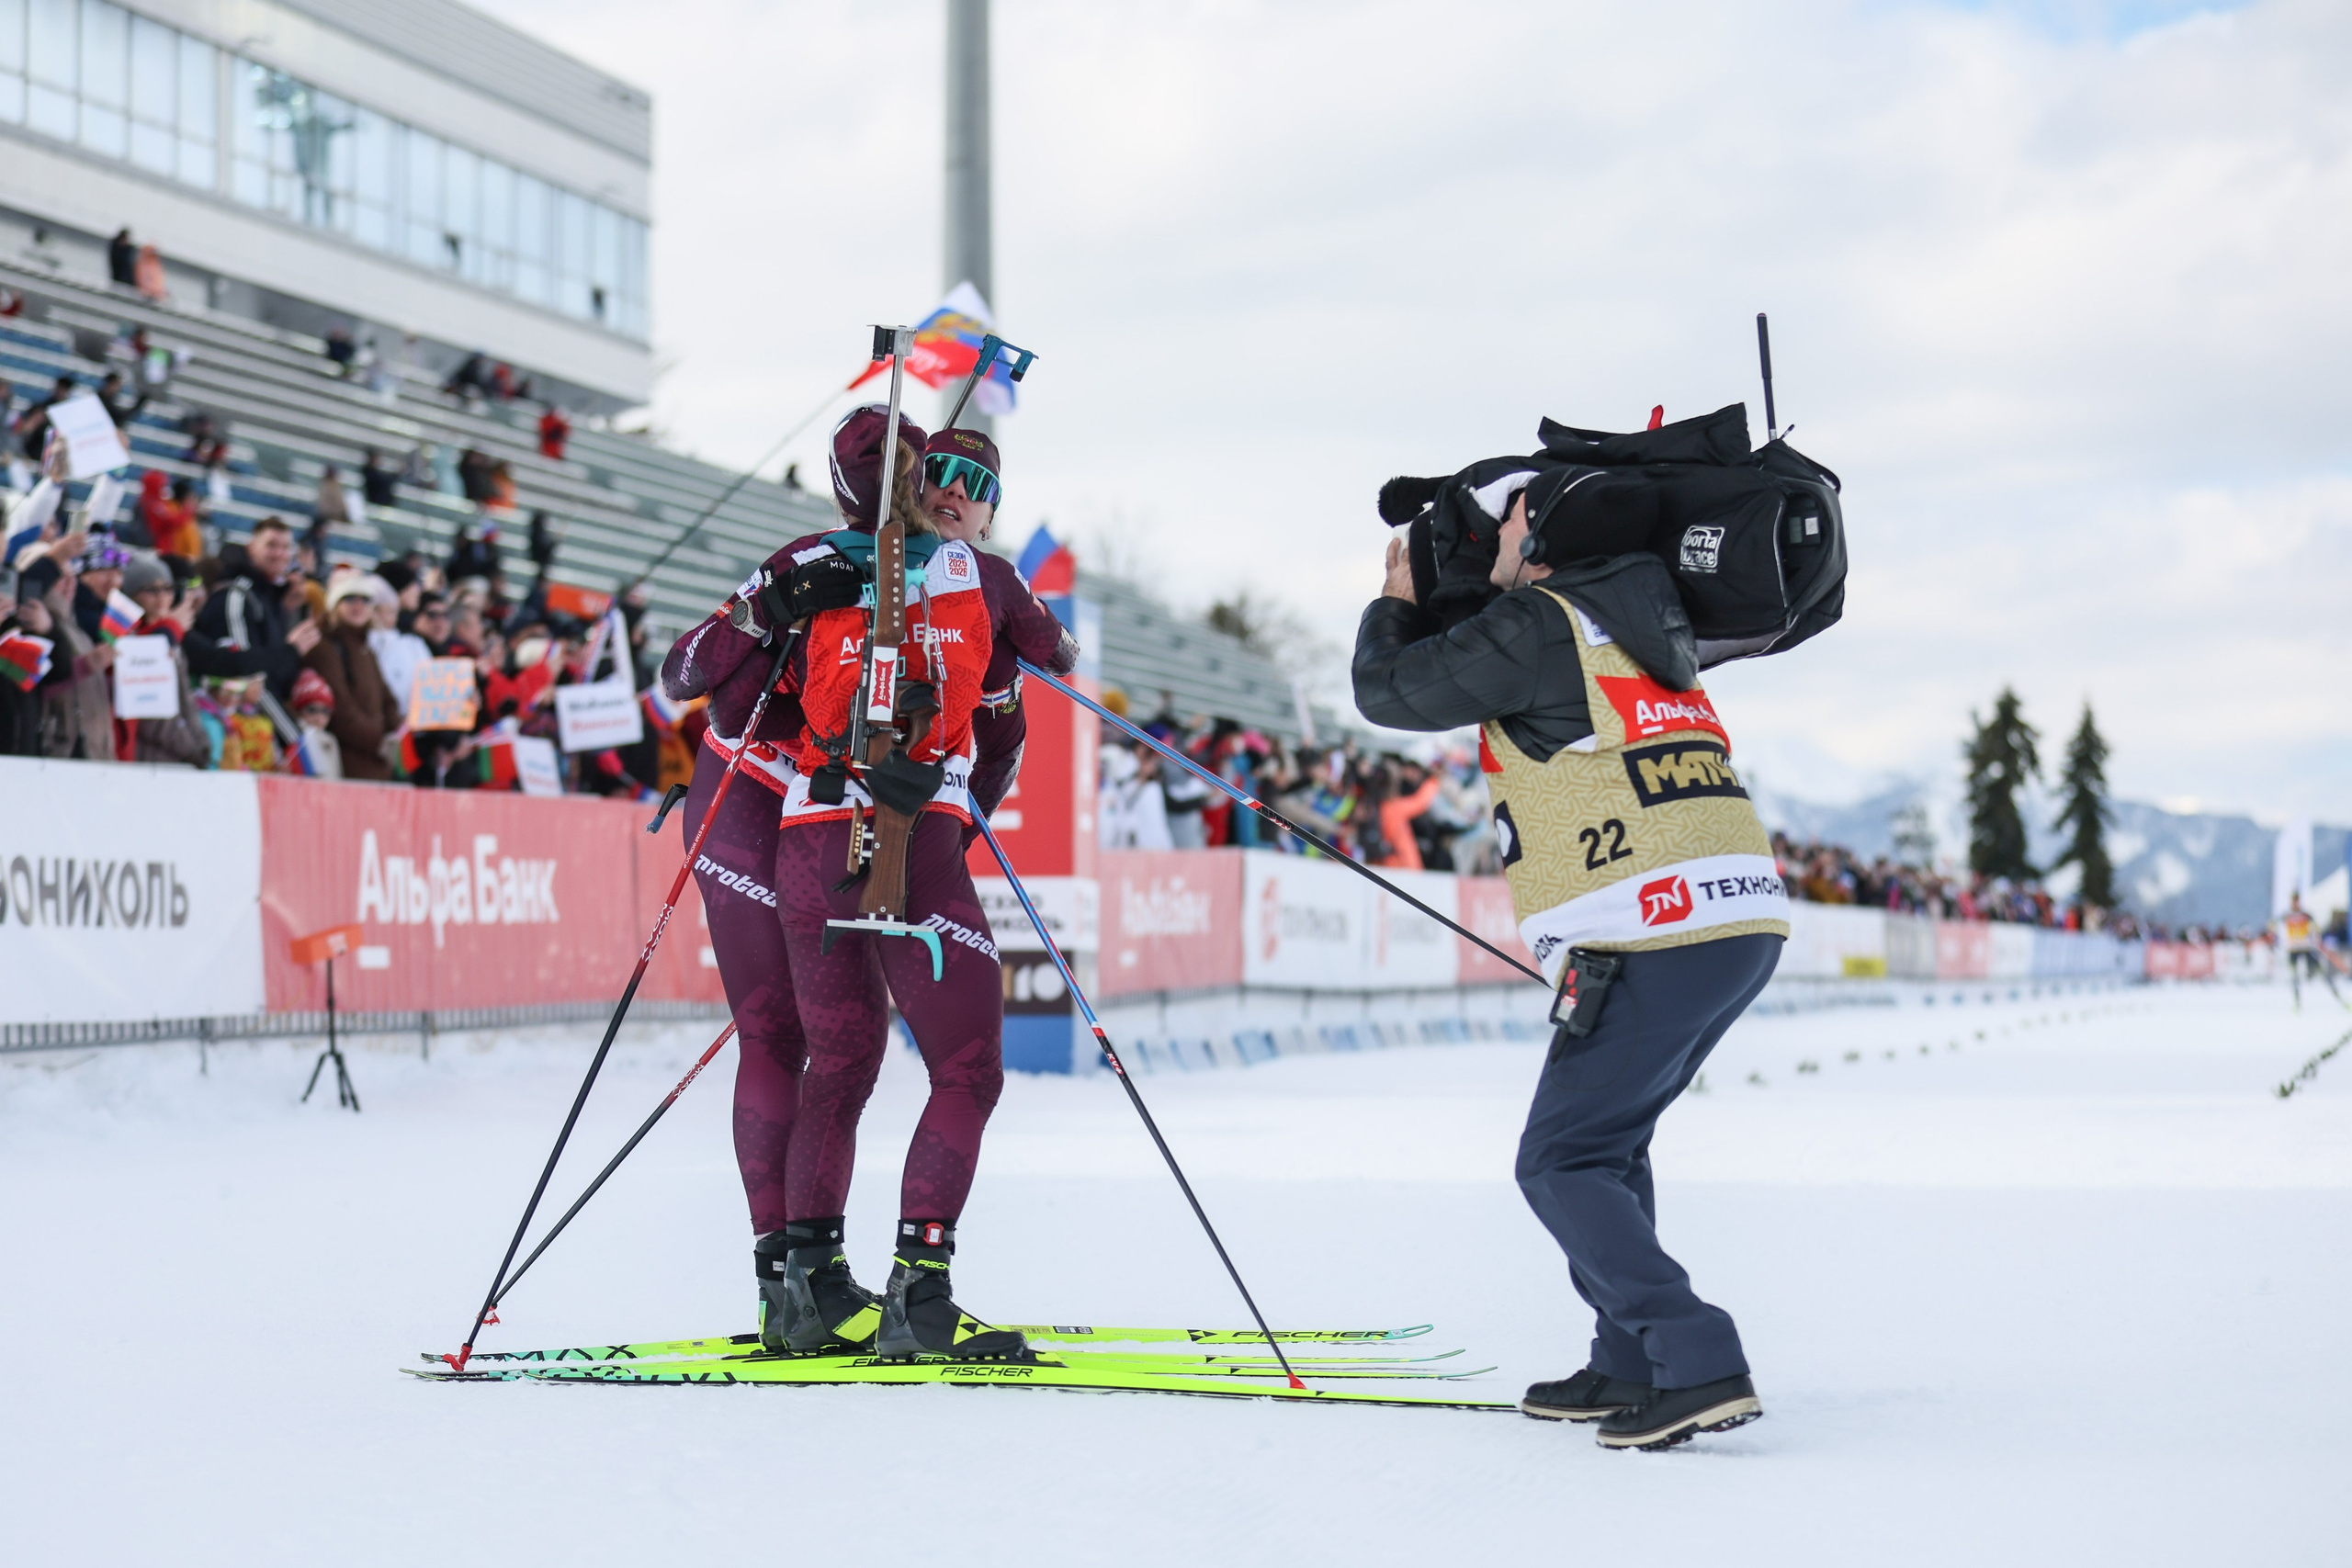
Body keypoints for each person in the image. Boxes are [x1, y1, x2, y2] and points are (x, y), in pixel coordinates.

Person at [1351, 469, 1791, 1452]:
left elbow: (1388, 690)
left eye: (1500, 520)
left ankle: (1695, 1352)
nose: (1485, 539)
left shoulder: (1543, 621)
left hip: (1655, 923)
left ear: (1538, 530)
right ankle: (1627, 1357)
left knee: (1562, 1158)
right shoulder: (1633, 620)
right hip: (1721, 918)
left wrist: (1392, 600)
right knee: (1608, 1143)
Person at [659, 406, 1063, 1362]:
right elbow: (688, 673)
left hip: (828, 817)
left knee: (845, 1055)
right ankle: (797, 1285)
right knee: (786, 1037)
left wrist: (953, 816)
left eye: (971, 484)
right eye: (932, 478)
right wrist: (773, 605)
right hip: (747, 805)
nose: (947, 496)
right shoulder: (819, 559)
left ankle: (817, 1280)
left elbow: (1004, 732)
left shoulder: (965, 582)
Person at [189, 516, 320, 702]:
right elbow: (246, 679)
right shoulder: (237, 595)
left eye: (285, 547)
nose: (279, 553)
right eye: (271, 545)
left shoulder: (274, 598)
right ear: (251, 548)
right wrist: (291, 731)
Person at [301, 574, 401, 782]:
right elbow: (339, 708)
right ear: (334, 606)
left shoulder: (366, 649)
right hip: (346, 766)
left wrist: (396, 730)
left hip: (375, 765)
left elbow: (387, 698)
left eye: (364, 600)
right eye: (349, 599)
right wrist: (378, 740)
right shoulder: (325, 648)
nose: (358, 605)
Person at [118, 552, 209, 766]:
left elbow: (185, 700)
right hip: (152, 760)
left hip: (178, 756)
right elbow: (153, 718)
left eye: (167, 589)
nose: (162, 597)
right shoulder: (134, 643)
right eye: (151, 590)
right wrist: (192, 749)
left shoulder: (170, 635)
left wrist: (202, 743)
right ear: (132, 595)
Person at [2278, 894, 2344, 1010]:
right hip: (2293, 949)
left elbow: (2316, 928)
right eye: (2293, 901)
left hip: (2306, 948)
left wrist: (2316, 939)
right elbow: (2273, 926)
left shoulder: (2306, 915)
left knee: (2321, 973)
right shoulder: (2286, 915)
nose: (2295, 904)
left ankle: (2339, 998)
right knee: (2294, 977)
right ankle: (2297, 1004)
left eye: (2297, 901)